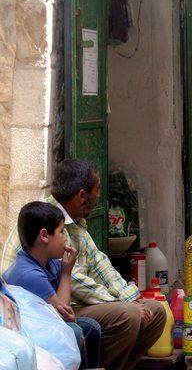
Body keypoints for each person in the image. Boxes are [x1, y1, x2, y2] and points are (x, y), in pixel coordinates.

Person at [1, 159, 166, 370]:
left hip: (61, 305)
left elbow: (99, 264)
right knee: (129, 315)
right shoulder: (48, 223)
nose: (99, 196)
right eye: (97, 189)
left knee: (154, 311)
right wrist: (126, 305)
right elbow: (73, 286)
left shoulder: (73, 223)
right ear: (81, 195)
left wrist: (130, 297)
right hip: (39, 317)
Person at [3, 201, 102, 368]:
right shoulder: (28, 273)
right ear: (44, 235)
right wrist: (66, 273)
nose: (65, 238)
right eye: (61, 231)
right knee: (80, 330)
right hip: (28, 331)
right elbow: (61, 313)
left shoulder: (50, 261)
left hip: (45, 323)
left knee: (90, 328)